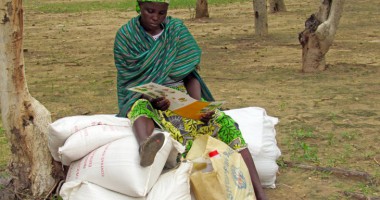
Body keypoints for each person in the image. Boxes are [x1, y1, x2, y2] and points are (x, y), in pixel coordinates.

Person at [114, 0, 267, 199]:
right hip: (144, 94)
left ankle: (260, 192)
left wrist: (197, 106)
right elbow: (129, 76)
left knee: (223, 122)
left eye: (161, 13)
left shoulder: (176, 30)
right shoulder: (127, 36)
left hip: (180, 95)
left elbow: (190, 75)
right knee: (140, 106)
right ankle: (146, 144)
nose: (155, 17)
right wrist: (151, 97)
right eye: (150, 11)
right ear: (139, 8)